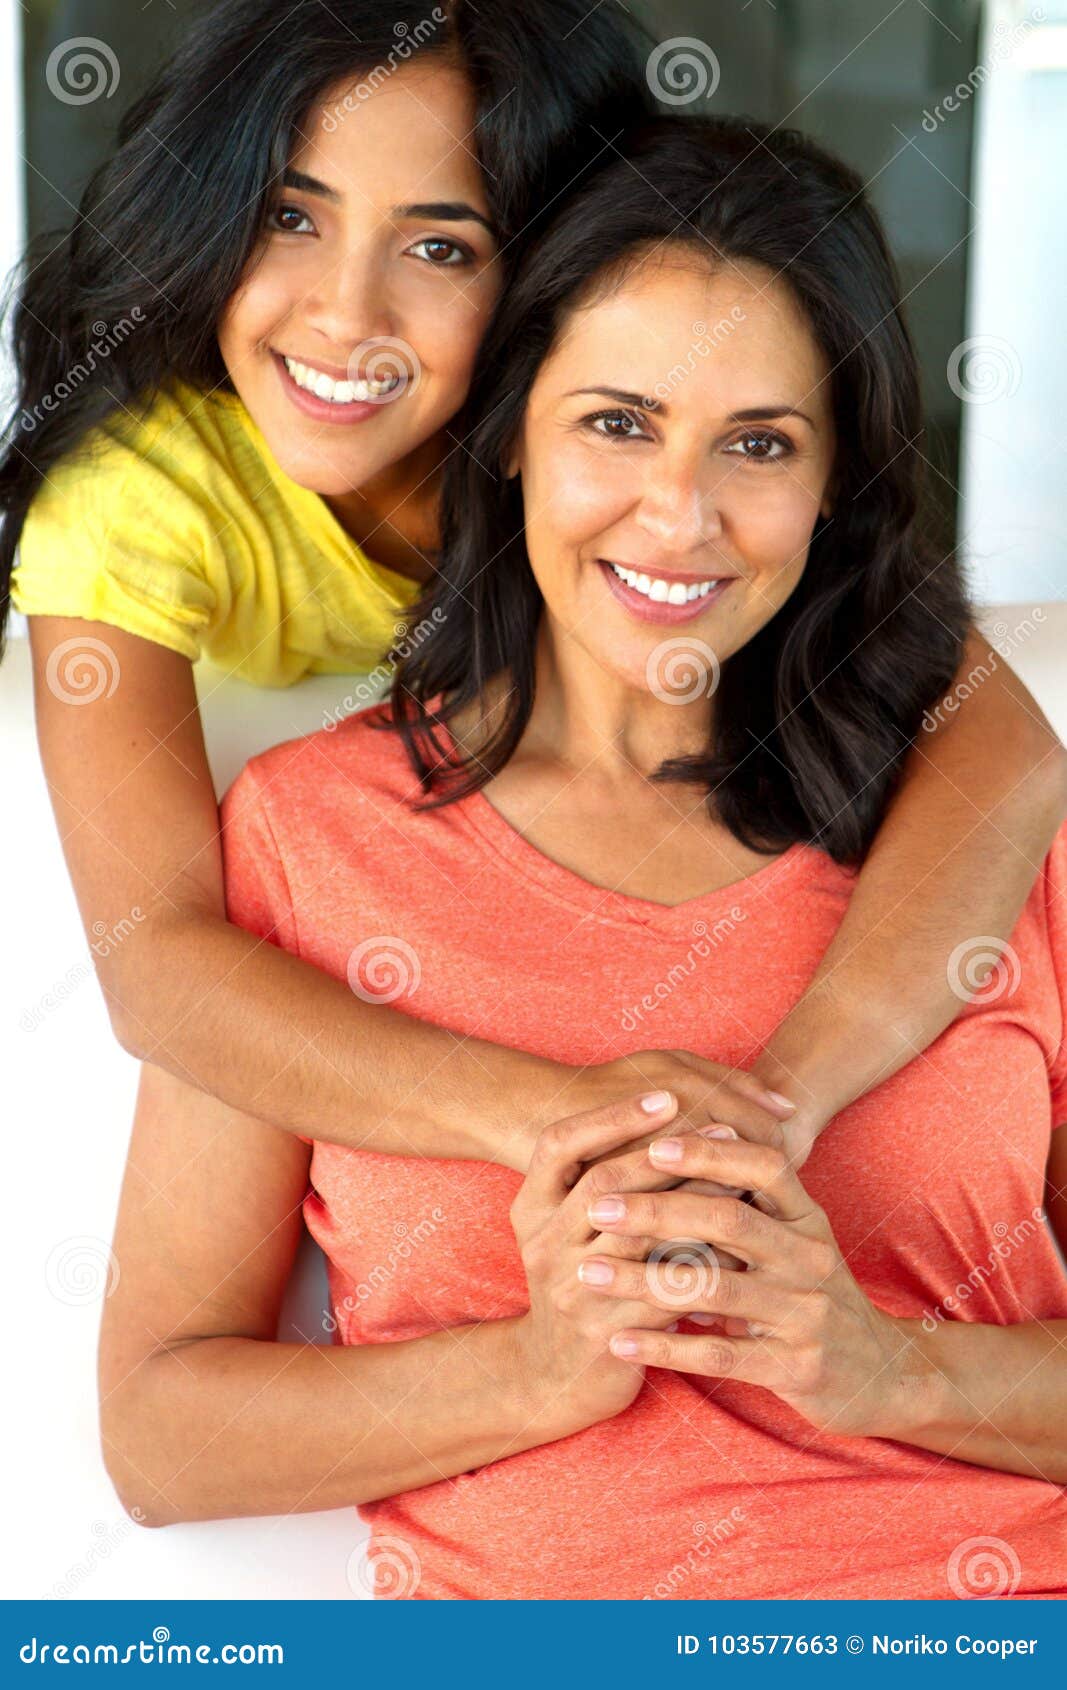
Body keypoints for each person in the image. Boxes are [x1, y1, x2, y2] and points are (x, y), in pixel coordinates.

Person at [99, 116, 1067, 1600]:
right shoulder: (316, 837)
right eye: (617, 422)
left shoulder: (979, 825)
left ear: (834, 484)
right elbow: (160, 1439)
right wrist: (541, 1370)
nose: (680, 515)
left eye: (759, 443)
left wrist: (892, 1372)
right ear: (511, 435)